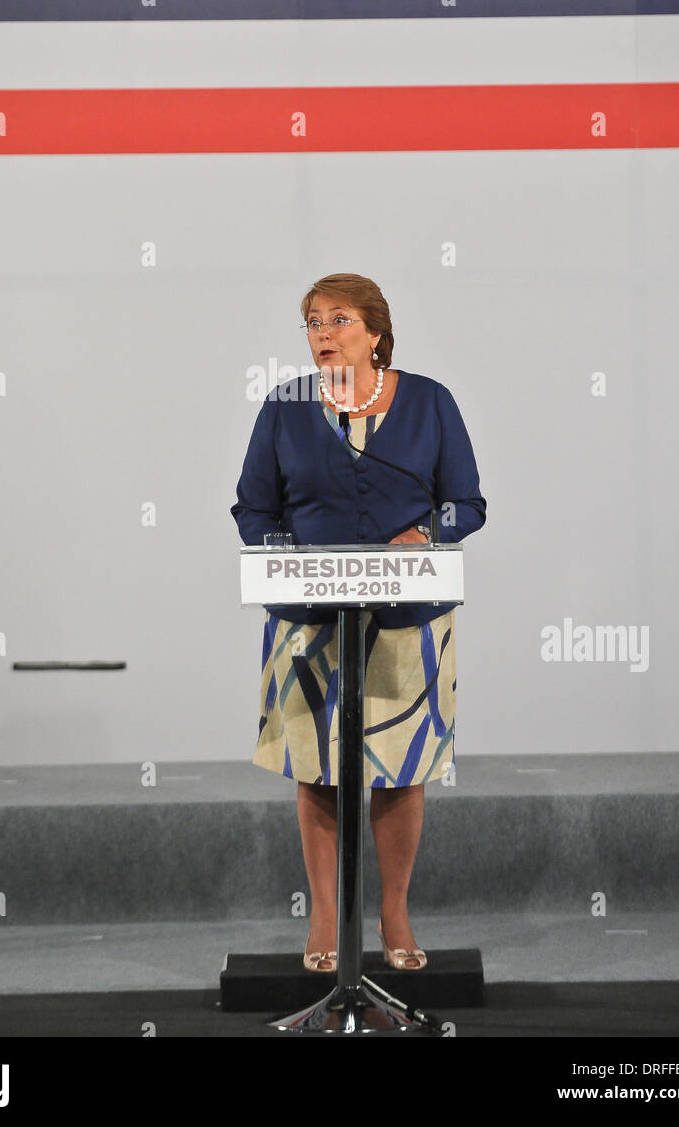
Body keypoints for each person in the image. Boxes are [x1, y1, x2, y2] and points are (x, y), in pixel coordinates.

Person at [230, 273, 486, 973]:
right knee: (316, 769)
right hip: (310, 622)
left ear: (375, 332)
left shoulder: (430, 401)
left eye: (338, 319)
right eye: (312, 322)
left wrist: (426, 530)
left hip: (408, 620)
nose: (322, 333)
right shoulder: (283, 407)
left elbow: (469, 505)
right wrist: (283, 556)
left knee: (399, 770)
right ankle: (324, 917)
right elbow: (253, 509)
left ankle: (395, 911)